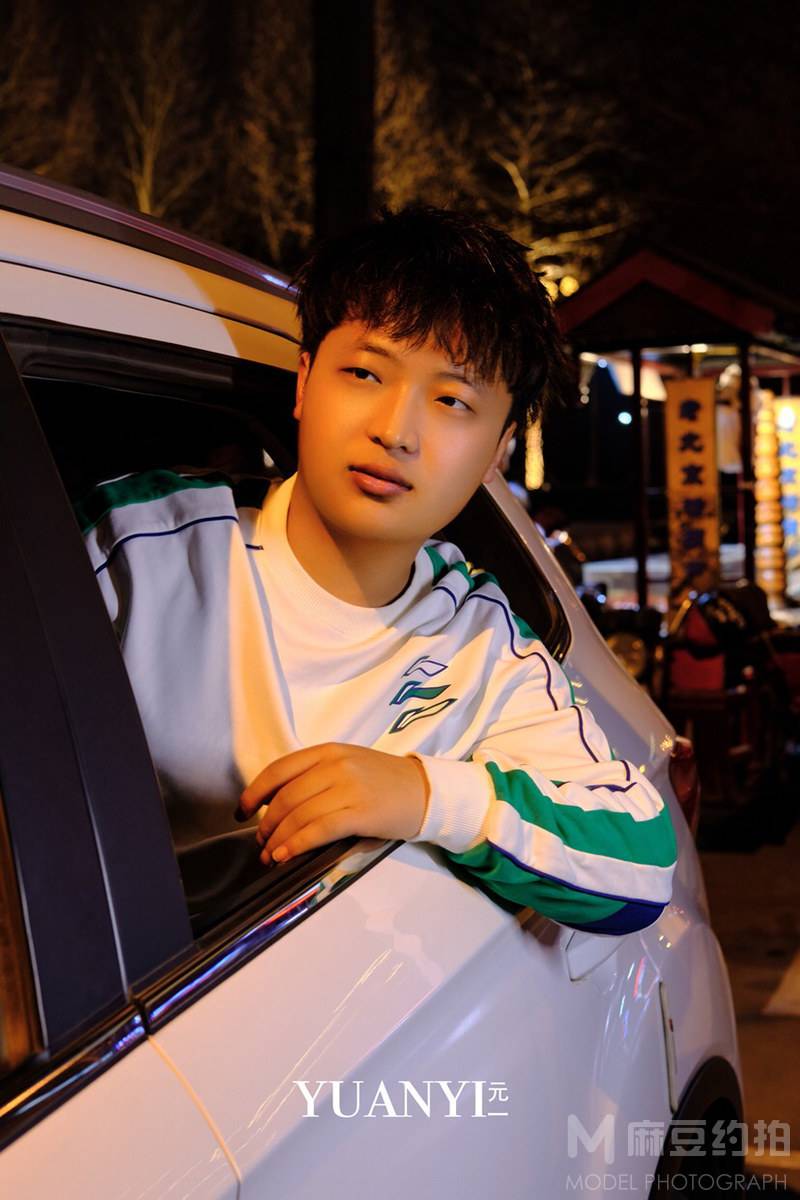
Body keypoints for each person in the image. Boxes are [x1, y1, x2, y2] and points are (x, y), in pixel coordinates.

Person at [78, 205, 676, 934]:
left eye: (452, 400)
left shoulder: (479, 643)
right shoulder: (138, 547)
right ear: (304, 382)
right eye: (364, 372)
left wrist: (424, 796)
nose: (395, 431)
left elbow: (642, 864)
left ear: (499, 451)